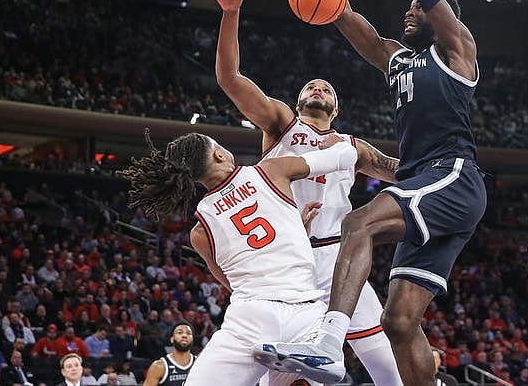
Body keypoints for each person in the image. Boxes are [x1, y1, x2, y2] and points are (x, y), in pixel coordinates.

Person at [250, 0, 488, 383]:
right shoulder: (398, 59)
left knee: (358, 224)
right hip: (427, 181)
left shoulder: (457, 52)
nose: (410, 11)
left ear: (439, 17)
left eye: (419, 8)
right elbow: (354, 24)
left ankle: (327, 344)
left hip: (453, 177)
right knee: (399, 323)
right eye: (410, 7)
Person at [203, 0, 402, 386]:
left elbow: (402, 174)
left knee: (384, 362)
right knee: (282, 378)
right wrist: (230, 12)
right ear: (296, 100)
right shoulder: (279, 124)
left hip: (338, 257)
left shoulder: (353, 146)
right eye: (312, 86)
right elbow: (229, 78)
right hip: (287, 263)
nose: (318, 89)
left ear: (337, 109)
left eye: (327, 89)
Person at [116, 129, 358, 386]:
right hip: (306, 314)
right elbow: (346, 156)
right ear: (220, 155)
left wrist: (295, 231)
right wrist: (337, 143)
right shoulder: (270, 171)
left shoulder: (200, 231)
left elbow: (233, 281)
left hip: (251, 319)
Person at [142, 321, 196, 386]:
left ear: (192, 339)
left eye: (188, 333)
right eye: (180, 332)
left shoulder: (199, 363)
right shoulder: (159, 366)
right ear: (172, 339)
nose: (184, 335)